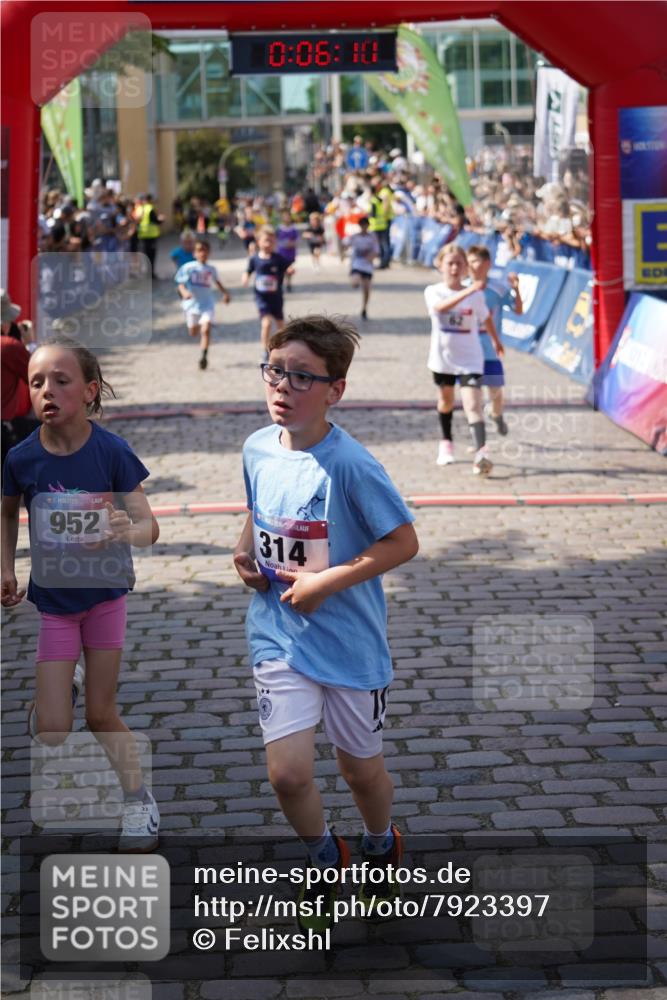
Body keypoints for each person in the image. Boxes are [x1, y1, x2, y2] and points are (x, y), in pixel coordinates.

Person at [233, 314, 419, 934]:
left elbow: (403, 542)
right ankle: (323, 854)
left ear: (334, 390)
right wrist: (245, 552)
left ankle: (379, 840)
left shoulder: (352, 465)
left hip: (350, 646)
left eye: (301, 377)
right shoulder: (257, 447)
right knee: (287, 775)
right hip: (278, 635)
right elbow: (257, 508)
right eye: (274, 371)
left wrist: (324, 582)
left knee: (360, 771)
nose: (282, 386)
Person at [1, 336, 161, 850]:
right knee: (51, 731)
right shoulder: (22, 457)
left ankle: (138, 802)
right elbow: (6, 512)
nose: (46, 390)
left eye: (60, 380)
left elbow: (149, 527)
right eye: (36, 382)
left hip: (105, 600)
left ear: (90, 391)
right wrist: (5, 567)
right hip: (55, 605)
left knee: (100, 714)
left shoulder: (111, 451)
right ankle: (61, 686)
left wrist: (125, 529)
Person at [424, 243, 503, 475]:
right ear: (440, 265)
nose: (455, 268)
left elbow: (486, 317)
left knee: (473, 405)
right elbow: (440, 309)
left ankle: (482, 454)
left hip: (470, 359)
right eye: (450, 263)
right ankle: (446, 442)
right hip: (443, 360)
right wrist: (469, 291)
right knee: (446, 401)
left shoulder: (476, 295)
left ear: (465, 267)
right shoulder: (433, 291)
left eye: (459, 264)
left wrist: (496, 341)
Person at [466, 245, 523, 436]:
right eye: (468, 261)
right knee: (472, 398)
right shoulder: (462, 288)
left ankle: (496, 415)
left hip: (490, 350)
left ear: (487, 264)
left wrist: (516, 289)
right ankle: (478, 441)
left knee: (496, 394)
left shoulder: (497, 289)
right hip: (468, 351)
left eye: (475, 261)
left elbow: (518, 310)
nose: (471, 265)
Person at [175, 238, 231, 371]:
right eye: (199, 250)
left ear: (209, 252)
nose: (202, 253)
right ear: (194, 253)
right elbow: (180, 284)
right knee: (193, 332)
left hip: (207, 304)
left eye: (205, 250)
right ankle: (196, 330)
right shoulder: (188, 267)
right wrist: (184, 293)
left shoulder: (211, 269)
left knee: (205, 330)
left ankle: (204, 356)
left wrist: (225, 294)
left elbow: (217, 282)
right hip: (191, 306)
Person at [242, 226, 294, 362]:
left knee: (281, 325)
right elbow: (248, 270)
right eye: (266, 240)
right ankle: (265, 351)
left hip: (276, 298)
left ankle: (283, 349)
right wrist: (245, 277)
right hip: (262, 298)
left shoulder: (278, 258)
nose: (268, 244)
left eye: (272, 241)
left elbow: (288, 266)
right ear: (258, 241)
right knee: (266, 324)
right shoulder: (255, 259)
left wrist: (290, 270)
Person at [343, 216, 379, 321]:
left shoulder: (372, 237)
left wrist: (371, 257)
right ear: (359, 226)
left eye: (366, 225)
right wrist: (343, 252)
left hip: (367, 266)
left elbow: (376, 250)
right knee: (355, 283)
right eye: (362, 225)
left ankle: (364, 308)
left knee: (366, 289)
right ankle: (355, 280)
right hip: (357, 264)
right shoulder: (355, 237)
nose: (364, 227)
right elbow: (344, 244)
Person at [368, 175, 394, 269]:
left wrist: (383, 217)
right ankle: (384, 261)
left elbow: (385, 207)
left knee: (384, 243)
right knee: (384, 243)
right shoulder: (382, 192)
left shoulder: (384, 192)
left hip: (385, 220)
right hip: (384, 220)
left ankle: (384, 262)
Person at [136, 193, 163, 280]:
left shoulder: (139, 208)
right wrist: (161, 220)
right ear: (150, 200)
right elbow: (156, 221)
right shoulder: (150, 208)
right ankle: (150, 273)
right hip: (151, 235)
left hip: (142, 235)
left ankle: (145, 272)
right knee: (151, 255)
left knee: (144, 255)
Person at [276, 210, 299, 292]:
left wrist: (292, 243)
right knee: (282, 269)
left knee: (289, 268)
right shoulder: (279, 228)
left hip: (290, 252)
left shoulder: (293, 228)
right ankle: (281, 283)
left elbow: (297, 239)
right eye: (285, 217)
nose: (286, 218)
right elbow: (275, 238)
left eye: (288, 217)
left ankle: (288, 283)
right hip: (281, 252)